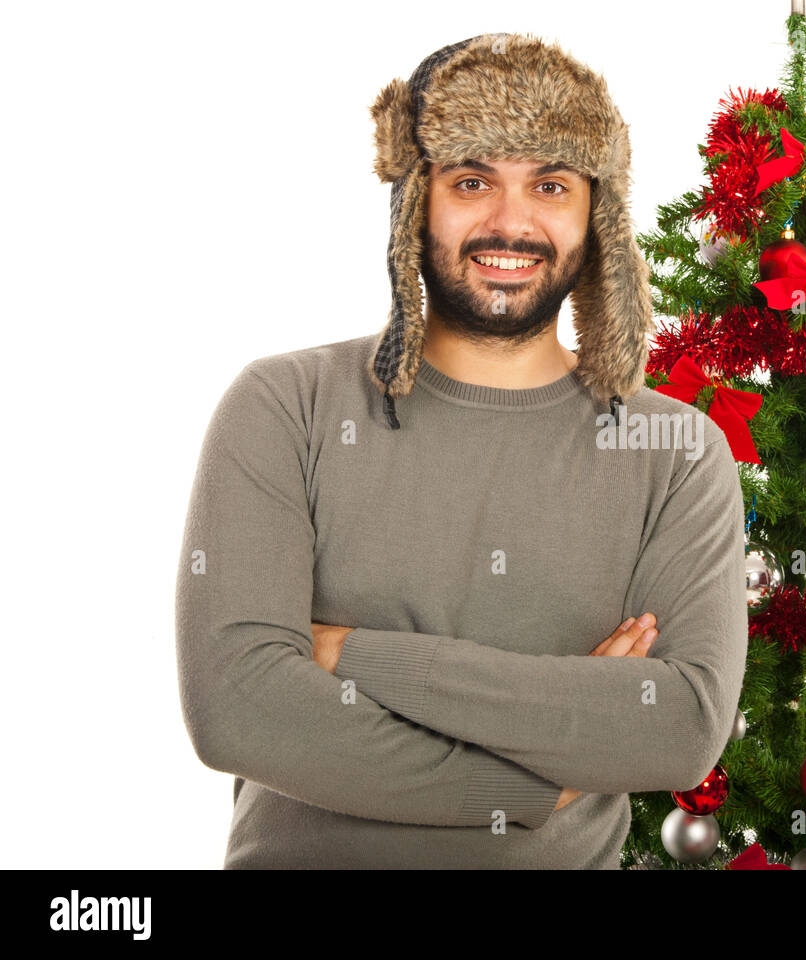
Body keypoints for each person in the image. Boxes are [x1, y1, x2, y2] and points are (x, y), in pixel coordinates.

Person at [174, 32, 749, 869]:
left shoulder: (677, 453)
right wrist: (530, 785)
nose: (511, 222)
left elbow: (679, 726)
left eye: (550, 185)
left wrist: (350, 654)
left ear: (597, 214)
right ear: (416, 203)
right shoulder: (285, 407)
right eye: (471, 180)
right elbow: (237, 707)